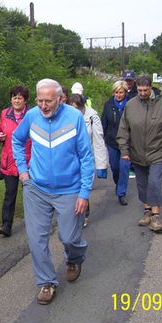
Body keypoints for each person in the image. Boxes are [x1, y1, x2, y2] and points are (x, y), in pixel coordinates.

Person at [12, 79, 94, 306]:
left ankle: (74, 259)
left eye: (48, 100)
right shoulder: (32, 116)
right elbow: (17, 141)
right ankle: (46, 283)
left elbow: (86, 157)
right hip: (36, 189)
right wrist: (23, 171)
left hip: (70, 190)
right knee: (36, 240)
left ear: (60, 99)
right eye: (39, 100)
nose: (43, 105)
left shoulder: (74, 117)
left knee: (68, 238)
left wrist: (84, 192)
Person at [116, 74, 162, 233]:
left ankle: (155, 216)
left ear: (151, 87)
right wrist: (124, 150)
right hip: (137, 152)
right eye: (140, 90)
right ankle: (147, 210)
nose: (143, 93)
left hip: (158, 152)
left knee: (154, 182)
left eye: (146, 90)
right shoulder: (131, 105)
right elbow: (123, 130)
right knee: (142, 183)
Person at [0, 85, 31, 237]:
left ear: (25, 100)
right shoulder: (5, 113)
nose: (16, 101)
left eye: (19, 98)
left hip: (28, 161)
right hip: (9, 161)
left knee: (30, 194)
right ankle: (6, 225)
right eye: (14, 97)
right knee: (10, 193)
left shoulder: (32, 114)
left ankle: (34, 222)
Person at [67, 94, 108, 227]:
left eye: (77, 109)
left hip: (86, 159)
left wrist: (101, 164)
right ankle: (73, 212)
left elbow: (98, 141)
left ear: (82, 108)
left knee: (83, 185)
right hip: (71, 159)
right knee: (73, 187)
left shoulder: (91, 117)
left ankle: (84, 214)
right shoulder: (65, 118)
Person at [101, 80, 131, 205]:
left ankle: (121, 193)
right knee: (115, 167)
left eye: (121, 92)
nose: (119, 95)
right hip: (112, 142)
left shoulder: (130, 104)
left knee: (124, 167)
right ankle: (118, 184)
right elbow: (104, 123)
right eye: (117, 93)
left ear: (125, 92)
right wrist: (103, 139)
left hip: (126, 142)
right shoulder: (108, 105)